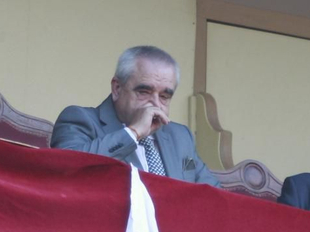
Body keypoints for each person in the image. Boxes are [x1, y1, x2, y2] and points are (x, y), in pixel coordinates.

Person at [51, 45, 220, 187]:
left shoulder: (181, 136)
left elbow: (213, 194)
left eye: (164, 96)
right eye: (144, 92)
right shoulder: (80, 119)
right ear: (117, 88)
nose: (155, 104)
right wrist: (133, 133)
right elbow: (66, 170)